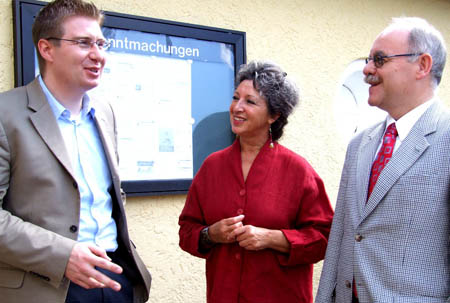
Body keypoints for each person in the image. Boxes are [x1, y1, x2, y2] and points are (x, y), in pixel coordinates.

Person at [0, 0, 151, 302]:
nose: (98, 55)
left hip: (115, 277)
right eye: (83, 43)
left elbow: (110, 195)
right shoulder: (6, 114)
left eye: (101, 43)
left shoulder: (104, 113)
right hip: (45, 285)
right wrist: (62, 255)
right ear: (46, 49)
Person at [316, 17, 449, 303]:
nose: (366, 70)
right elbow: (341, 236)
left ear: (422, 66)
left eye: (379, 60)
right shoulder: (359, 145)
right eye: (369, 59)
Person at [179, 60, 334, 303]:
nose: (237, 107)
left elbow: (324, 239)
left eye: (250, 101)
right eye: (235, 97)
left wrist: (273, 238)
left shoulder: (298, 171)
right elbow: (187, 231)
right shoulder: (212, 167)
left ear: (274, 115)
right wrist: (211, 234)